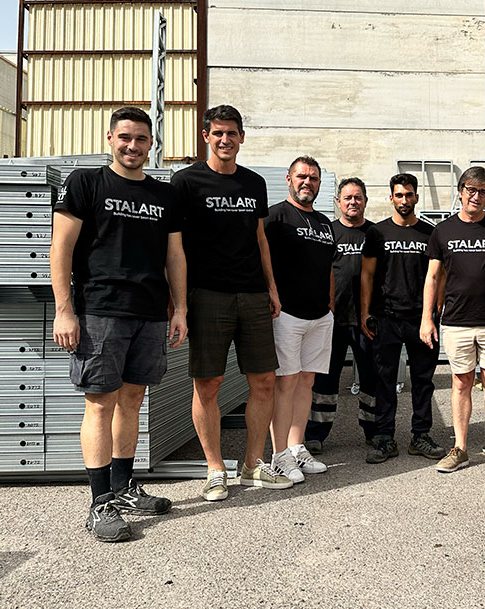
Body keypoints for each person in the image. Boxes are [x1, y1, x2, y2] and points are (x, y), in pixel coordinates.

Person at [51, 106, 187, 542]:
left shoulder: (164, 194)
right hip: (100, 310)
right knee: (100, 403)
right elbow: (61, 248)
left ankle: (125, 486)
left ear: (151, 144)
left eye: (141, 139)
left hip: (149, 311)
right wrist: (64, 310)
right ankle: (100, 503)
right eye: (125, 137)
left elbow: (175, 255)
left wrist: (180, 309)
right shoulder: (85, 183)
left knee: (132, 400)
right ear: (110, 138)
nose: (133, 146)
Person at [172, 104, 290, 502]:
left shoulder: (253, 183)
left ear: (242, 137)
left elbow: (260, 239)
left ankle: (253, 464)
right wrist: (179, 302)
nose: (225, 140)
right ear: (206, 136)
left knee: (264, 380)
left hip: (253, 294)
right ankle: (215, 469)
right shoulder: (186, 181)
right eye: (218, 133)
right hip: (208, 295)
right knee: (208, 383)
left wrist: (271, 288)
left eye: (232, 133)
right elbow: (175, 246)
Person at [421, 167, 485, 476]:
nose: (476, 196)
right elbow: (432, 277)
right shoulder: (443, 231)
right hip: (456, 321)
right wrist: (427, 318)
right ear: (460, 191)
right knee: (461, 382)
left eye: (483, 192)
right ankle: (460, 448)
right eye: (471, 189)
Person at [359, 173, 445, 463]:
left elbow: (439, 273)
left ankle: (421, 436)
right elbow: (367, 274)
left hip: (421, 320)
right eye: (399, 195)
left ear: (416, 197)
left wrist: (436, 309)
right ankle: (385, 438)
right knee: (384, 380)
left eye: (409, 194)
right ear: (391, 198)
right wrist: (365, 312)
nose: (404, 200)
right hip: (386, 318)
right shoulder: (377, 233)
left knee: (423, 381)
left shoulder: (430, 233)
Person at [265, 156, 334, 482]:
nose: (307, 182)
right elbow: (261, 260)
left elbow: (328, 267)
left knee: (307, 381)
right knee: (286, 383)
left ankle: (296, 448)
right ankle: (279, 456)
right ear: (289, 179)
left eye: (313, 178)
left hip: (319, 315)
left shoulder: (324, 223)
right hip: (286, 314)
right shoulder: (275, 217)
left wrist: (330, 306)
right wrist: (270, 295)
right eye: (302, 176)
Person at [304, 177, 379, 454]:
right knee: (325, 380)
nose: (353, 202)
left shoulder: (375, 233)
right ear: (338, 202)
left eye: (358, 197)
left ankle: (374, 432)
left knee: (371, 379)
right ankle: (316, 434)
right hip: (332, 319)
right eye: (347, 198)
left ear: (365, 201)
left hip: (367, 321)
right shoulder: (328, 232)